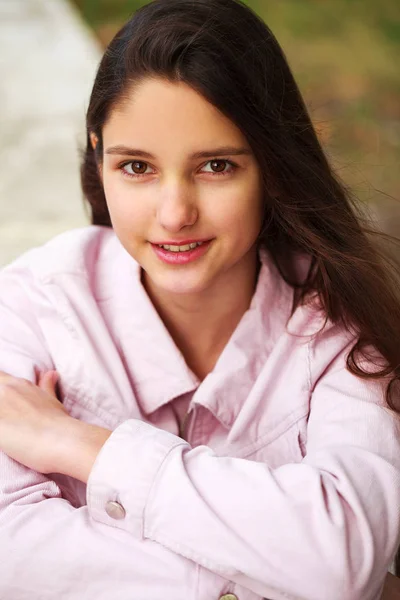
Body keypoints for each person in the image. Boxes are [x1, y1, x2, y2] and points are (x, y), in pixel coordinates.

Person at [0, 0, 399, 598]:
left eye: (215, 165)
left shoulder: (341, 322)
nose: (174, 214)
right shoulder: (33, 305)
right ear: (98, 155)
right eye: (137, 166)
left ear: (271, 163)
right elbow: (14, 552)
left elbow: (339, 560)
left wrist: (81, 445)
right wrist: (266, 577)